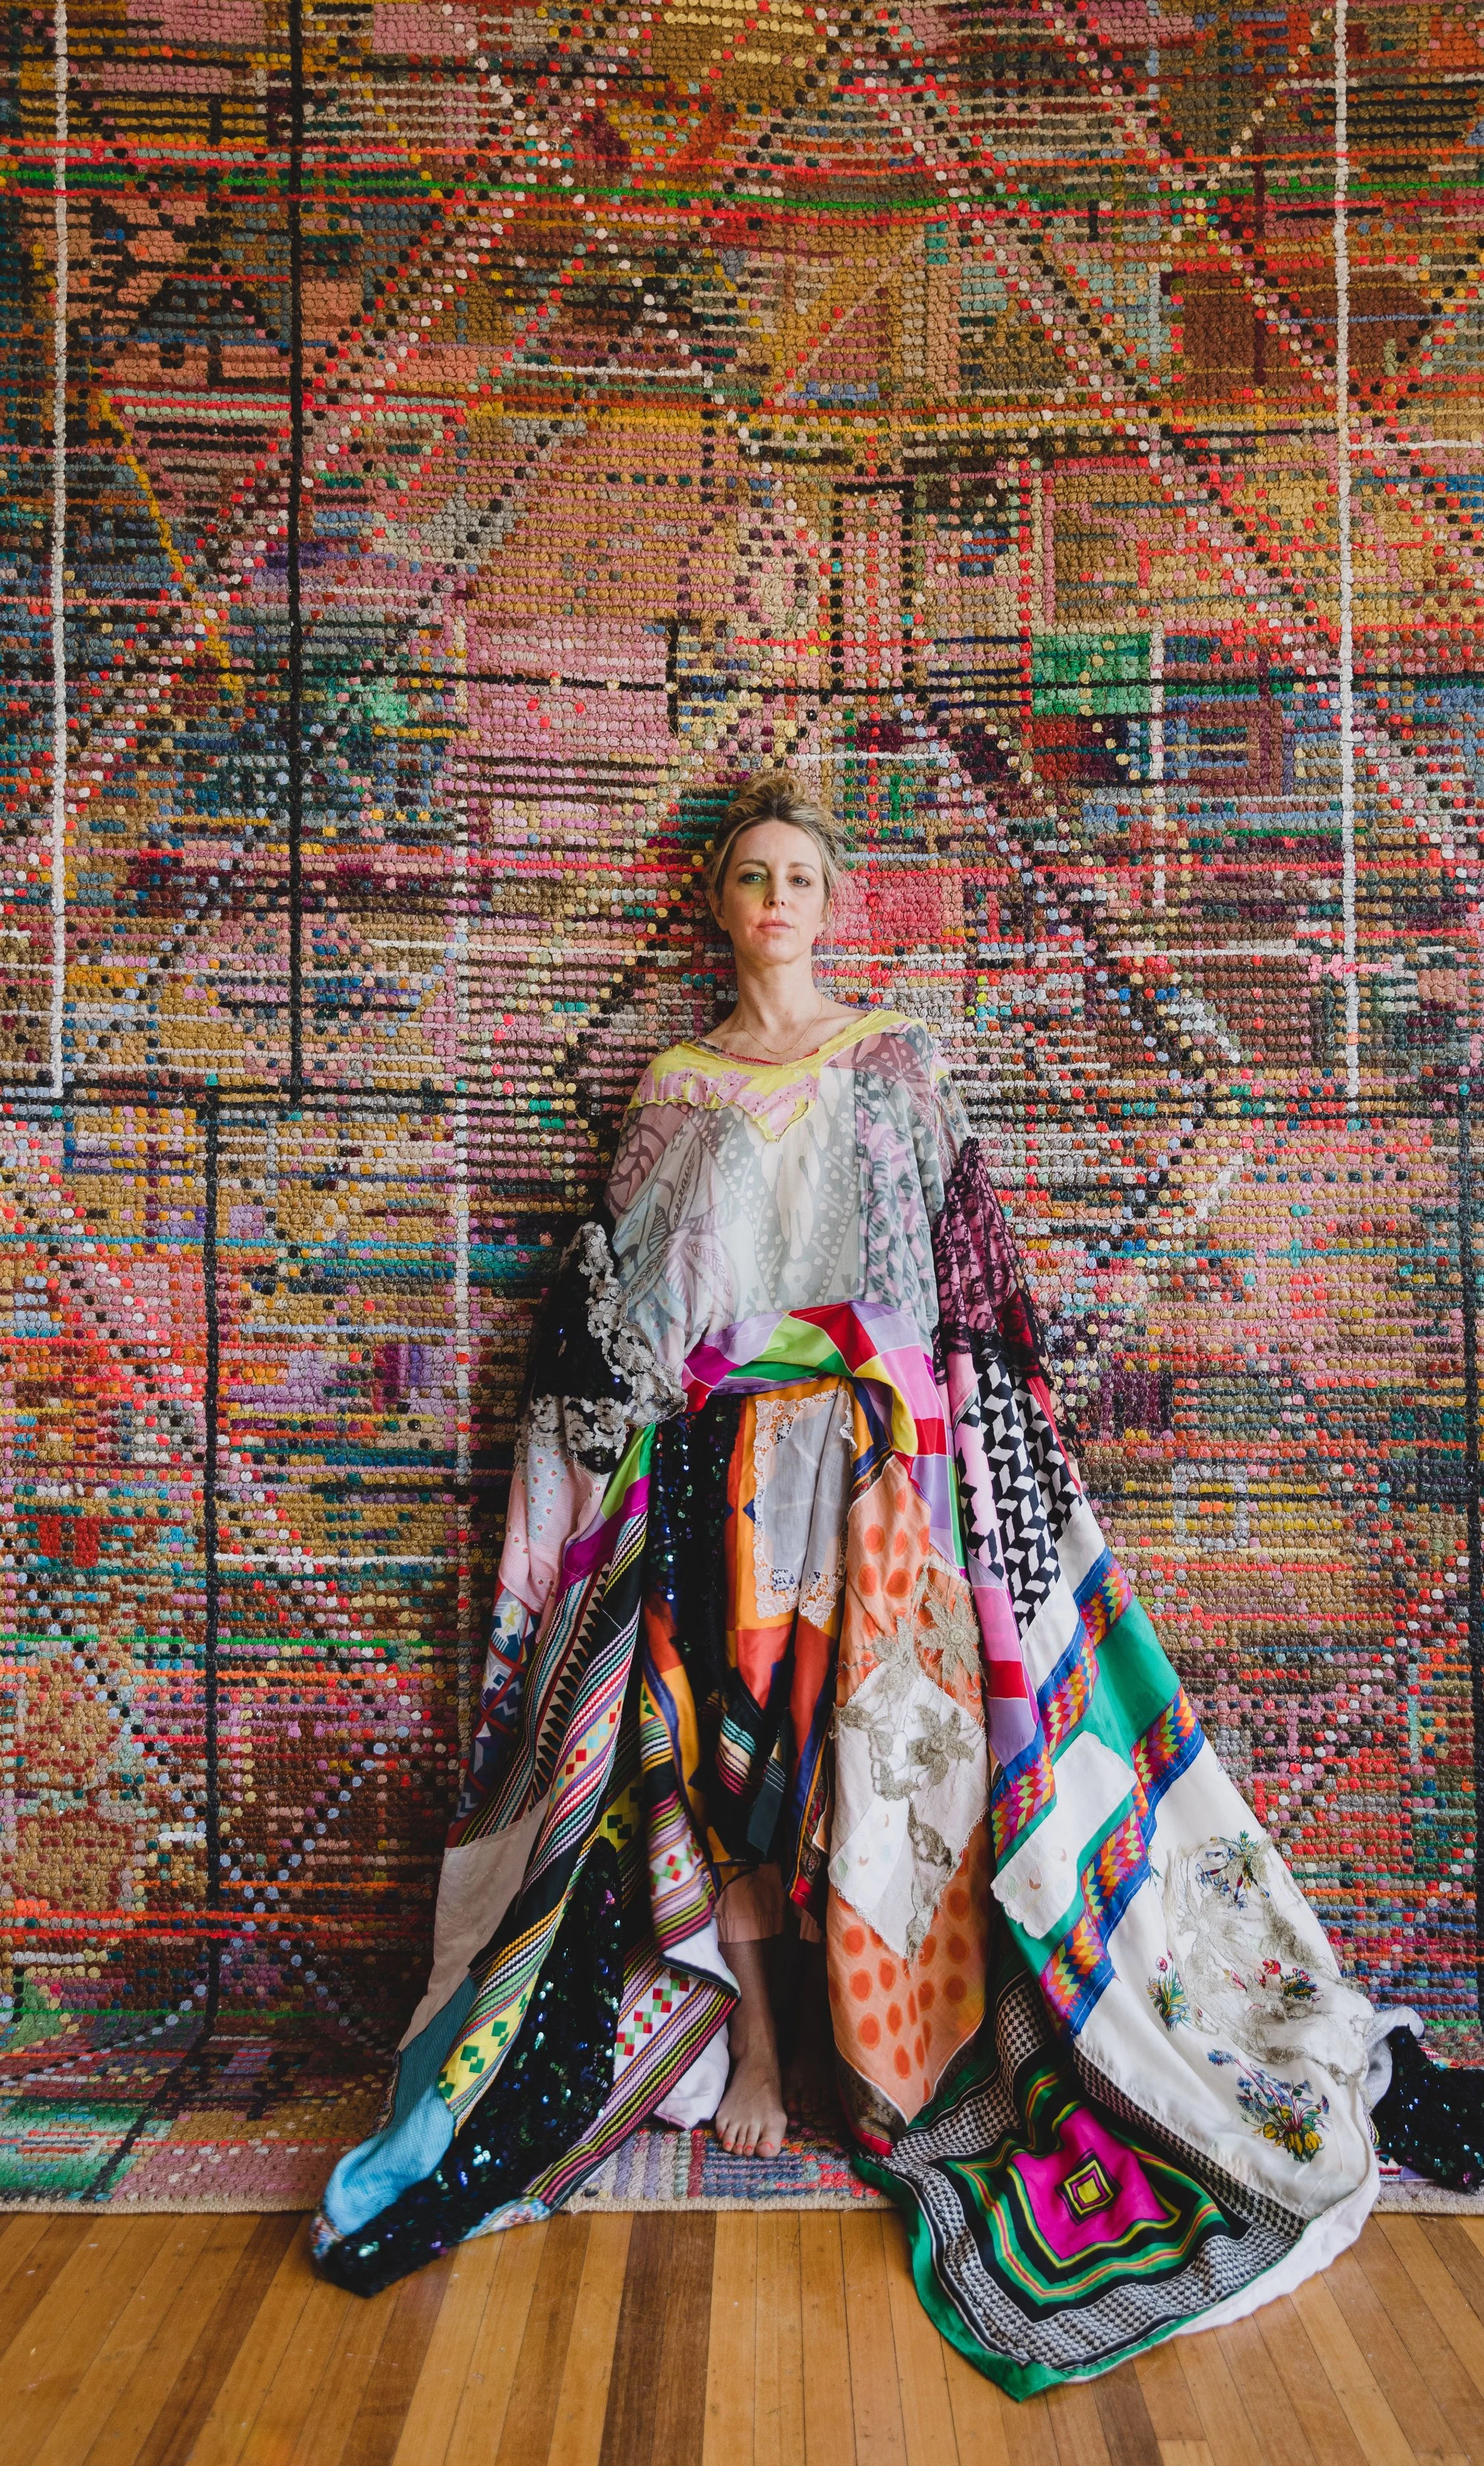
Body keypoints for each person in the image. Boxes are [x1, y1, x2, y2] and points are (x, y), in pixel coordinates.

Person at [312, 771, 1385, 2393]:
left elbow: (966, 1277)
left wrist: (977, 1458)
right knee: (723, 1753)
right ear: (718, 906)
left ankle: (872, 2052)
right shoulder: (670, 1092)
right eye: (749, 878)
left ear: (832, 899)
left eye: (800, 876)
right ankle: (755, 2032)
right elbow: (616, 1319)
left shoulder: (894, 1066)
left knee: (874, 1750)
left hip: (879, 1464)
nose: (775, 903)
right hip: (722, 1467)